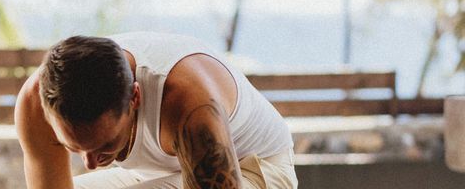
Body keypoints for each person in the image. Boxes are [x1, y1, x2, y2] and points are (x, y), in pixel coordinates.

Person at [15, 31, 298, 189]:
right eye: (74, 147)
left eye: (105, 144)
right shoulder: (35, 103)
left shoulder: (188, 104)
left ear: (135, 97)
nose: (90, 164)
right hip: (155, 170)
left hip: (256, 168)